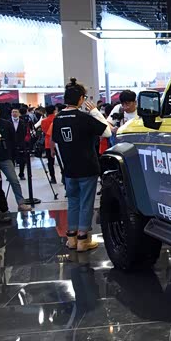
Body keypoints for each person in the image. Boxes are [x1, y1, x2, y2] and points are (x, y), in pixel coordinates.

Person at [52, 78, 112, 252]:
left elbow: (57, 143)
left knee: (73, 202)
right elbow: (107, 132)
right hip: (87, 167)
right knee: (86, 203)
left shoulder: (58, 118)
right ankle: (82, 240)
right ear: (80, 99)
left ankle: (71, 238)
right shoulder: (83, 118)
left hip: (69, 169)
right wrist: (95, 112)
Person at [0, 103, 31, 211]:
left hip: (5, 157)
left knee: (14, 180)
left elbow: (13, 140)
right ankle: (1, 206)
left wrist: (12, 155)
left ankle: (21, 202)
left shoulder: (6, 124)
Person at [35, 105, 59, 184]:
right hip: (58, 143)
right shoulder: (57, 119)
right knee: (62, 160)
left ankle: (53, 177)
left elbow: (44, 131)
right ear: (54, 111)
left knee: (50, 162)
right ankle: (63, 176)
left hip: (48, 142)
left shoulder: (44, 121)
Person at [10, 105, 30, 179]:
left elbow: (25, 132)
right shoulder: (8, 122)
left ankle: (21, 173)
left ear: (19, 113)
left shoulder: (23, 122)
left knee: (22, 160)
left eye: (16, 112)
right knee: (11, 160)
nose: (14, 113)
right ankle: (11, 175)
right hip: (11, 144)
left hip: (21, 143)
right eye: (13, 112)